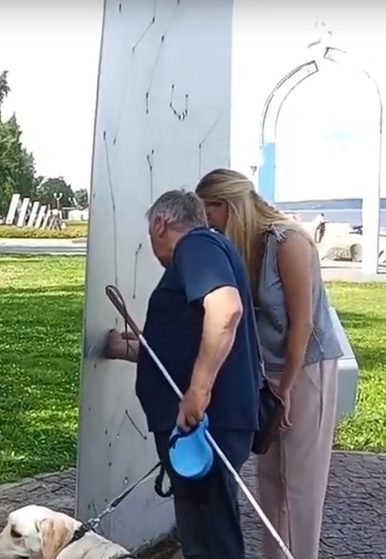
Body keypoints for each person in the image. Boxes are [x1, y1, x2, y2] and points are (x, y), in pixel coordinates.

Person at [195, 169, 342, 559]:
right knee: (270, 482)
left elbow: (303, 323)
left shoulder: (288, 242)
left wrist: (287, 387)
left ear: (227, 206)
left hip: (306, 368)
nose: (208, 224)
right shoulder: (240, 246)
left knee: (300, 486)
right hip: (267, 371)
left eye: (210, 213)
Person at [104, 190, 259, 559]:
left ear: (161, 224)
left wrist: (198, 391)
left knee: (209, 541)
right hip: (209, 421)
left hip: (206, 424)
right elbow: (194, 332)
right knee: (209, 532)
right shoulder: (209, 249)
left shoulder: (196, 246)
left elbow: (225, 310)